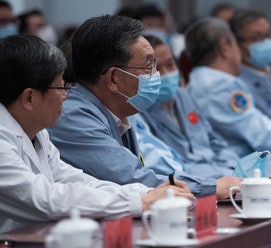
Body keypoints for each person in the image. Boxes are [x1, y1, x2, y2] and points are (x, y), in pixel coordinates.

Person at [0, 34, 194, 232]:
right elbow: (47, 200)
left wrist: (147, 193)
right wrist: (140, 202)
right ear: (29, 98)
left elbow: (78, 182)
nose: (65, 96)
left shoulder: (38, 134)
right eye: (60, 87)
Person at [48, 14, 240, 198]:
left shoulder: (119, 111)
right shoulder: (73, 118)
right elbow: (134, 180)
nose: (157, 74)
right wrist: (211, 187)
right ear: (114, 79)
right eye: (149, 66)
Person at [184, 17, 271, 164]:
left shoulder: (198, 80)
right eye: (235, 43)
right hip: (240, 171)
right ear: (224, 48)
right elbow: (263, 137)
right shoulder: (221, 85)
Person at [138, 34, 239, 177]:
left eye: (170, 65)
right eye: (155, 68)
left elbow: (214, 140)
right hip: (191, 181)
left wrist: (233, 166)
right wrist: (222, 175)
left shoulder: (183, 95)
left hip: (222, 173)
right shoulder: (139, 110)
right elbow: (169, 168)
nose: (166, 74)